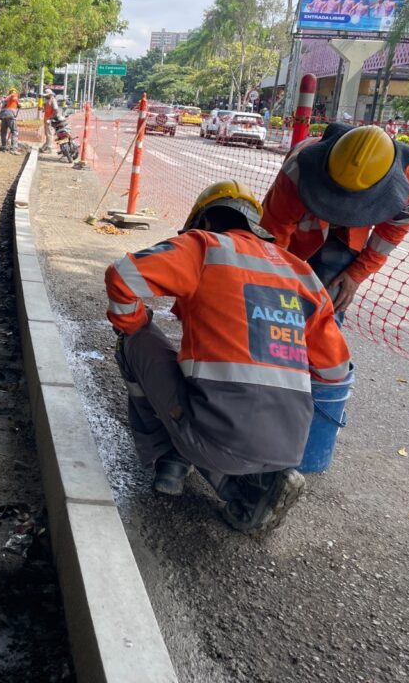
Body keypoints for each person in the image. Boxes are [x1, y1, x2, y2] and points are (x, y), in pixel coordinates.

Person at [106, 181, 351, 533]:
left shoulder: (203, 247)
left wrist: (132, 323)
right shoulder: (301, 272)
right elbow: (335, 371)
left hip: (221, 442)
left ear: (204, 223)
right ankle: (262, 478)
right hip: (292, 443)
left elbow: (123, 276)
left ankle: (174, 458)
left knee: (135, 341)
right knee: (196, 380)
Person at [260, 124, 409, 319]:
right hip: (299, 228)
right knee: (271, 297)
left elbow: (392, 231)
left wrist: (357, 273)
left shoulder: (403, 180)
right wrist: (270, 277)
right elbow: (275, 229)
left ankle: (322, 343)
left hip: (346, 236)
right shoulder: (299, 166)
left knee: (331, 302)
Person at [0, 88, 20, 153]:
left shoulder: (6, 98)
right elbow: (14, 97)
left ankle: (3, 146)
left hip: (3, 115)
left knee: (3, 131)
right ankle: (14, 148)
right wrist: (18, 104)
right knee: (14, 131)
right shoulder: (14, 95)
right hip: (10, 115)